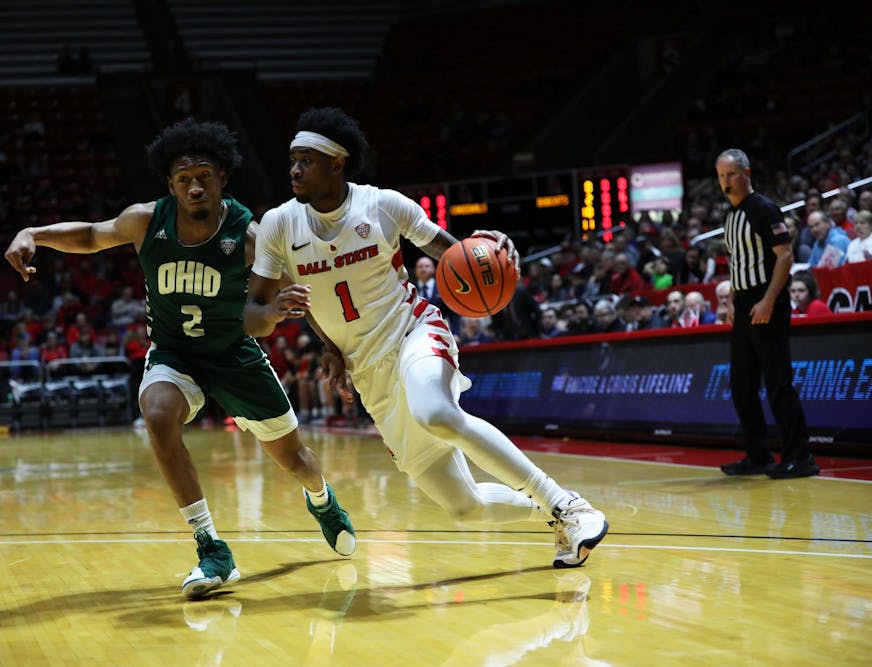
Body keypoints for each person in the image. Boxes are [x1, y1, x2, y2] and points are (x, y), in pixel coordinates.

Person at [4, 118, 355, 599]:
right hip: (175, 353)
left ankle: (322, 499)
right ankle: (211, 546)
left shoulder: (248, 234)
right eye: (184, 178)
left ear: (222, 180)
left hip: (234, 353)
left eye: (204, 176)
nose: (195, 186)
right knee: (158, 412)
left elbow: (291, 294)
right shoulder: (147, 220)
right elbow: (89, 234)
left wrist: (328, 345)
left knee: (297, 461)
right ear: (170, 185)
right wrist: (33, 232)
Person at [244, 107, 607, 568]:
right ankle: (556, 516)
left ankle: (567, 506)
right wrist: (304, 331)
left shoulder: (382, 205)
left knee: (436, 411)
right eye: (292, 159)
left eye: (306, 160)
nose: (294, 169)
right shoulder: (279, 223)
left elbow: (455, 254)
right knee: (464, 506)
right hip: (367, 370)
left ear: (337, 163)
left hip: (412, 331)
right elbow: (252, 312)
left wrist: (488, 247)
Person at [716, 148, 818, 478]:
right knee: (741, 385)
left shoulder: (763, 208)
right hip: (745, 303)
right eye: (721, 176)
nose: (726, 181)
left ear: (746, 173)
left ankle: (800, 456)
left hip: (767, 301)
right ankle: (758, 455)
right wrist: (732, 300)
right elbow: (737, 263)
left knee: (778, 383)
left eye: (731, 174)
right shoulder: (729, 216)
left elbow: (785, 256)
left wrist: (769, 300)